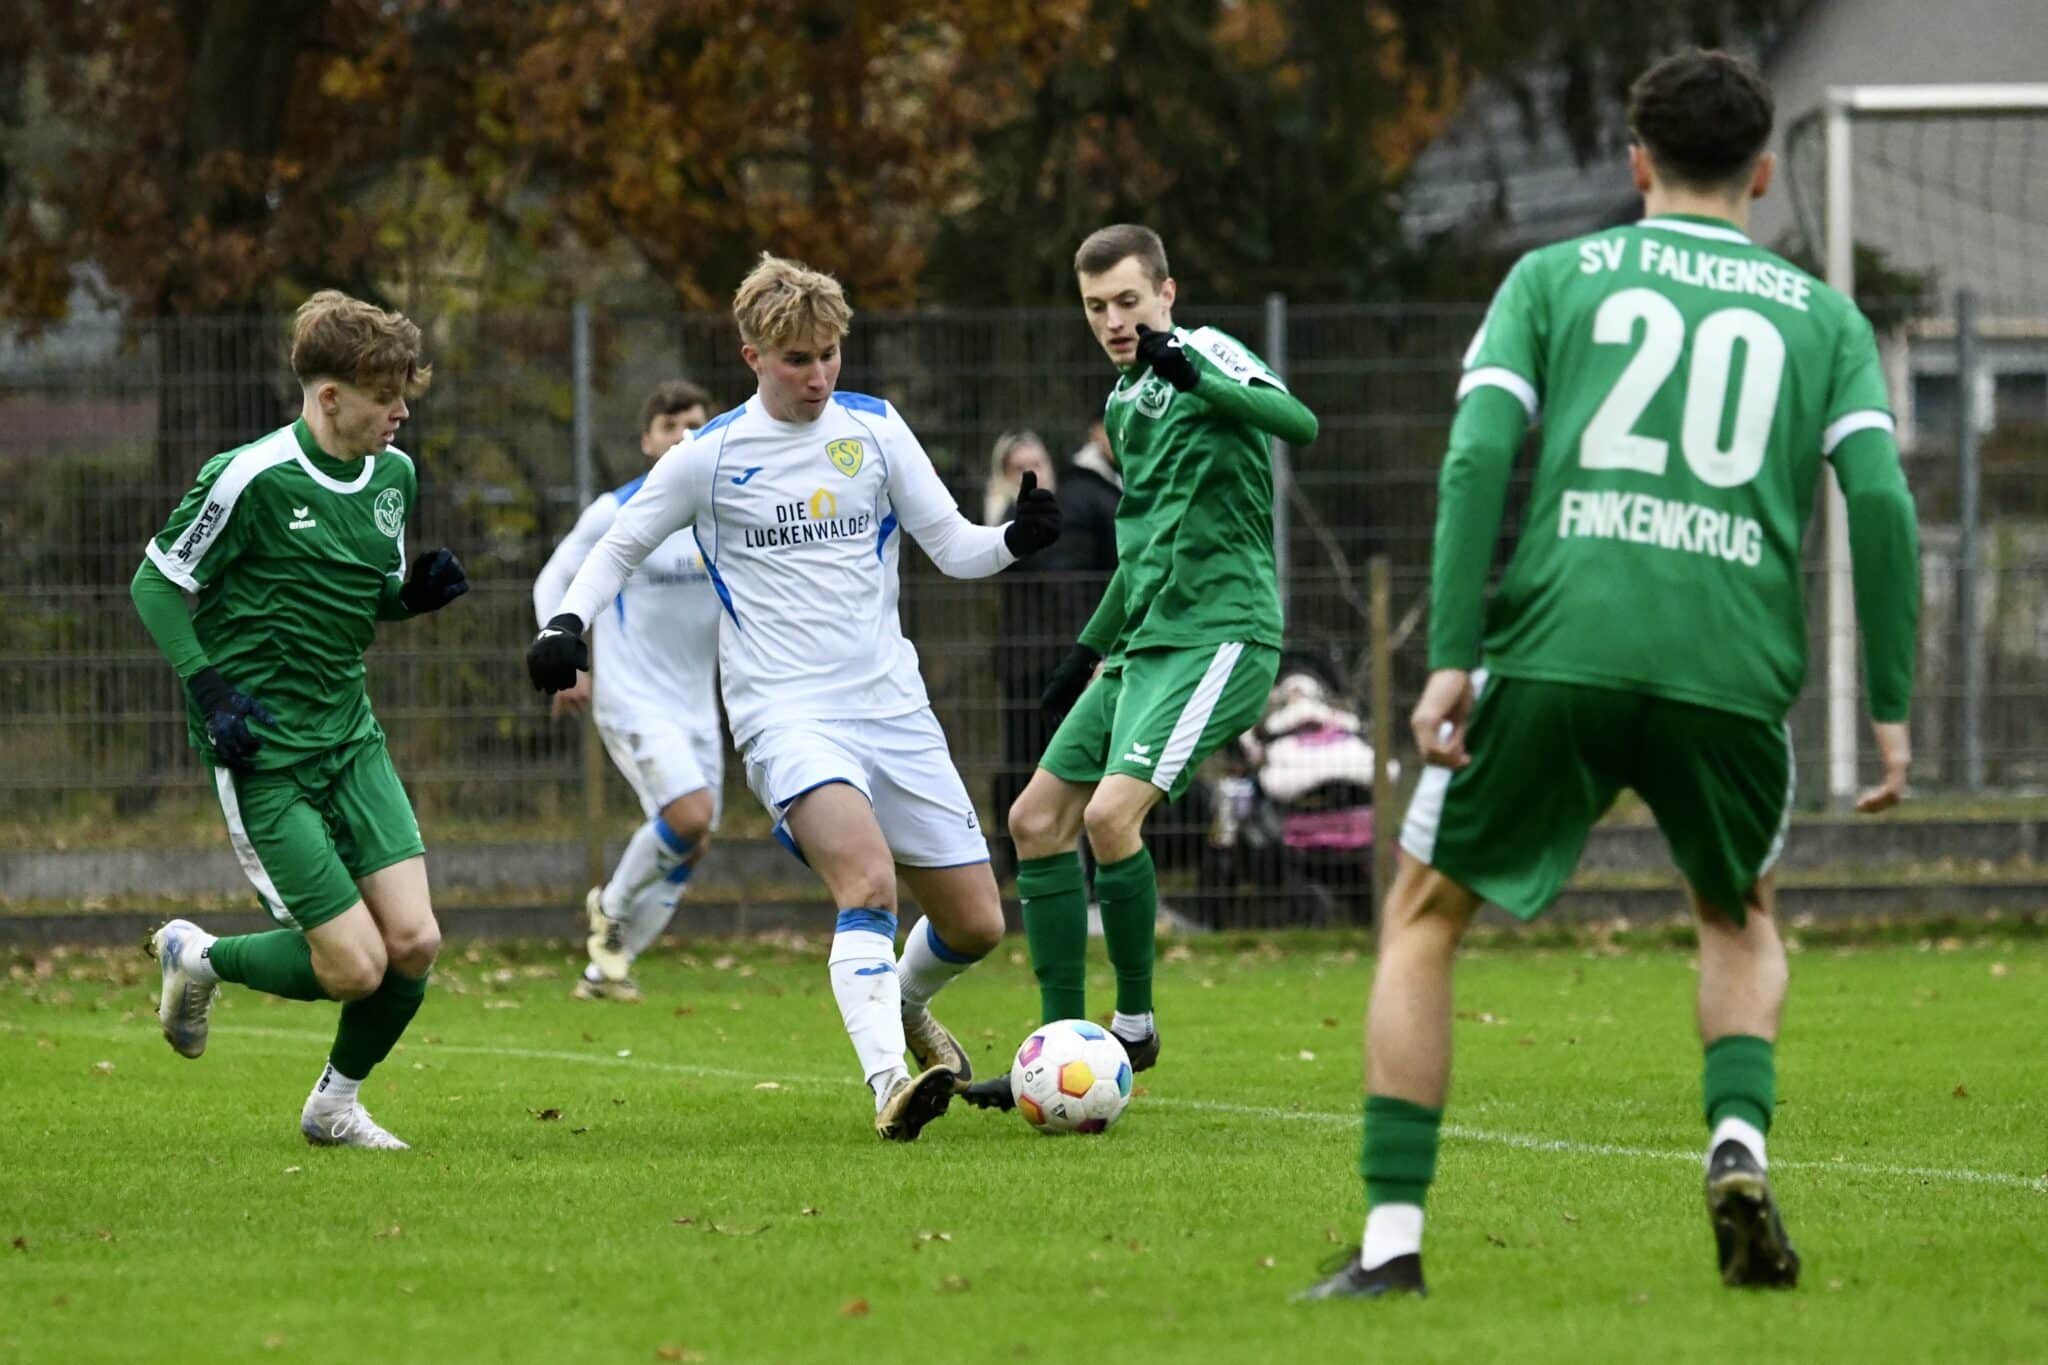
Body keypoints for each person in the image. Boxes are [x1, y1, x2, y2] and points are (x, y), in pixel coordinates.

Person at [1298, 50, 1919, 1301]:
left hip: (1559, 645)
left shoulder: (1551, 277)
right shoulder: (1824, 317)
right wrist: (1888, 705)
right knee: (1735, 915)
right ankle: (1734, 1139)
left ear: (1633, 161)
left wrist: (1453, 659)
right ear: (1759, 173)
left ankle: (1389, 1250)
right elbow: (1883, 505)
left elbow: (1475, 461)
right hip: (1729, 665)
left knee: (1421, 918)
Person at [525, 254, 1062, 1141]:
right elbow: (616, 544)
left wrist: (1014, 539)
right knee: (869, 881)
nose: (818, 375)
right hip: (786, 714)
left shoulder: (877, 431)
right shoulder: (709, 456)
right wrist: (565, 627)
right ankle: (890, 1080)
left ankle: (904, 1001)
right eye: (797, 359)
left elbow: (954, 548)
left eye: (830, 354)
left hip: (892, 705)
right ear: (752, 357)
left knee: (976, 919)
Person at [964, 224, 1319, 1110]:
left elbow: (1298, 421)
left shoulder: (1206, 352)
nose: (1116, 320)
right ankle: (1051, 1049)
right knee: (1036, 818)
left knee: (1113, 816)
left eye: (1129, 300)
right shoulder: (1124, 407)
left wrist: (1192, 370)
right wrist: (1086, 648)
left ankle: (1132, 1024)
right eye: (1096, 307)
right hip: (1141, 643)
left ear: (1167, 292)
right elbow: (1142, 545)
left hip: (1221, 632)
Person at [133, 290, 470, 1150]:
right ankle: (197, 956)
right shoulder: (248, 476)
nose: (402, 411)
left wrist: (410, 598)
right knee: (354, 966)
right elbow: (156, 582)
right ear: (329, 398)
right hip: (265, 754)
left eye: (406, 392)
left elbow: (367, 594)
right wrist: (211, 693)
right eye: (386, 395)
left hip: (351, 739)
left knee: (415, 941)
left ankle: (333, 1106)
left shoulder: (392, 476)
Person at [534, 379, 724, 1002]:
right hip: (633, 697)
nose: (684, 436)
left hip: (700, 701)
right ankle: (610, 907)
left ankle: (607, 970)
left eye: (696, 424)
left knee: (693, 843)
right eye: (670, 427)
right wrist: (569, 660)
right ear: (648, 441)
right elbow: (554, 579)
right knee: (689, 815)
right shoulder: (620, 510)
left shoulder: (726, 512)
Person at [984, 430, 1120, 881]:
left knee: (1087, 769)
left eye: (1037, 462)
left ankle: (1095, 873)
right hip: (1026, 671)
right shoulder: (1003, 525)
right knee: (1026, 767)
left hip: (1076, 662)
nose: (1031, 474)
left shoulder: (1078, 512)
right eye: (1018, 467)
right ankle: (1025, 867)